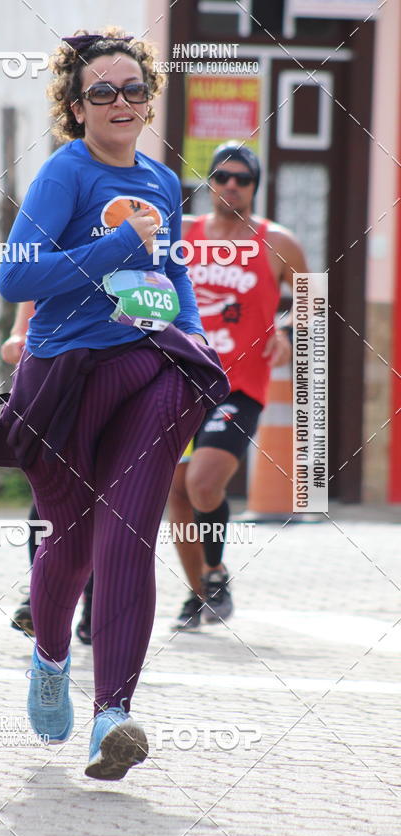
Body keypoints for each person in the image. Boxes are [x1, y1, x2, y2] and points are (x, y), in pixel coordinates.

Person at [0, 27, 229, 780]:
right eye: (101, 92)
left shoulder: (163, 182)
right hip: (66, 379)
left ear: (149, 101)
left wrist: (195, 337)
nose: (119, 102)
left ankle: (115, 713)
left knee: (127, 536)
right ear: (77, 107)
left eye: (133, 90)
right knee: (69, 546)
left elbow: (172, 274)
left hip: (148, 367)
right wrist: (112, 249)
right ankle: (49, 659)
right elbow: (16, 280)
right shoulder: (65, 176)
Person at [168, 141, 308, 631]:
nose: (231, 185)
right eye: (222, 176)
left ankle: (218, 570)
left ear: (255, 187)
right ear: (208, 183)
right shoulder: (181, 234)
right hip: (179, 381)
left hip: (238, 386)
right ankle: (198, 593)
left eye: (242, 179)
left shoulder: (279, 243)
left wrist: (288, 333)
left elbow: (310, 297)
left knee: (203, 482)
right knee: (177, 493)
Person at [2, 302, 94, 644]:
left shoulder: (128, 251)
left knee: (99, 499)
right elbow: (22, 321)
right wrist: (15, 339)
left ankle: (96, 604)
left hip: (111, 379)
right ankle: (39, 595)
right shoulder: (48, 254)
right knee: (48, 491)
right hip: (53, 383)